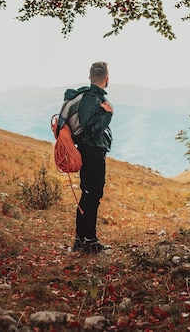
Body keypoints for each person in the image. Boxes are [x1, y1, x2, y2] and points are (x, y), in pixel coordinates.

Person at [72, 61, 113, 254]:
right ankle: (89, 241)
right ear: (106, 79)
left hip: (89, 150)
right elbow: (93, 130)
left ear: (90, 78)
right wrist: (108, 114)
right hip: (92, 151)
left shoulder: (92, 97)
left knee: (88, 194)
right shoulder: (92, 99)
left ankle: (81, 240)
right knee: (92, 195)